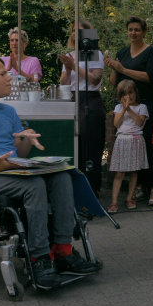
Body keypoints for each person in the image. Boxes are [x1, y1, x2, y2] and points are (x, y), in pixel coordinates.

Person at [0, 53, 100, 290]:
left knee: (62, 176)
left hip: (13, 170)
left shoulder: (8, 112)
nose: (9, 78)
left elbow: (19, 153)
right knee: (35, 186)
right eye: (3, 74)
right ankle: (39, 257)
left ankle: (62, 250)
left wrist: (25, 138)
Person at [104, 16, 153, 206]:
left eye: (137, 29)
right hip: (123, 107)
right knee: (127, 144)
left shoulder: (151, 51)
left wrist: (123, 69)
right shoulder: (122, 52)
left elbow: (150, 77)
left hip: (143, 104)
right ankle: (139, 186)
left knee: (145, 143)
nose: (133, 33)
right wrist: (114, 68)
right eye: (130, 29)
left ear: (144, 32)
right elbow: (114, 83)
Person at [59, 20, 106, 194]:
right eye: (72, 31)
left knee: (90, 148)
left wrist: (75, 67)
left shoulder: (95, 54)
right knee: (75, 147)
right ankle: (75, 190)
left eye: (79, 31)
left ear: (88, 35)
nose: (74, 34)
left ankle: (92, 190)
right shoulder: (69, 54)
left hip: (90, 101)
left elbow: (95, 79)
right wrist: (68, 69)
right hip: (72, 100)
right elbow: (63, 83)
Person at [108, 80, 149, 213]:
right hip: (122, 141)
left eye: (130, 92)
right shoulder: (119, 108)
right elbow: (116, 124)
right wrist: (124, 109)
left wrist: (129, 109)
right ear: (120, 96)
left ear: (136, 92)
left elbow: (140, 122)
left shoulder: (142, 107)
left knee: (134, 171)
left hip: (136, 141)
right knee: (119, 172)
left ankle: (130, 198)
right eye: (124, 94)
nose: (128, 97)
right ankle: (114, 202)